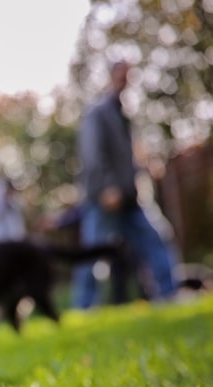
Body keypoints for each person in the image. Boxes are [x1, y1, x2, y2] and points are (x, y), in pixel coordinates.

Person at [72, 60, 176, 308]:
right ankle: (84, 308)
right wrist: (106, 188)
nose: (124, 82)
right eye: (120, 77)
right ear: (110, 78)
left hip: (131, 196)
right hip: (104, 198)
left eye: (128, 78)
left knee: (157, 239)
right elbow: (91, 154)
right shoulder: (98, 112)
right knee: (93, 254)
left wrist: (145, 166)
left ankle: (169, 296)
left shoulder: (126, 114)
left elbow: (130, 155)